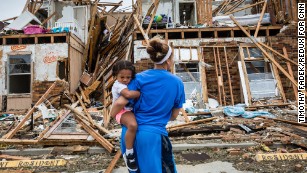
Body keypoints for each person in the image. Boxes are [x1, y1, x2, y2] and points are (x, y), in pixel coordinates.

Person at [110, 37, 185, 173]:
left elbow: (120, 103)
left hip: (130, 135)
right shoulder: (177, 83)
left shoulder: (138, 78)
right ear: (168, 60)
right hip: (154, 136)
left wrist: (112, 114)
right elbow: (174, 116)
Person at [110, 60, 140, 171]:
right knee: (133, 125)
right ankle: (129, 153)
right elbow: (127, 94)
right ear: (116, 76)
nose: (125, 80)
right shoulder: (118, 85)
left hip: (128, 110)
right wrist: (138, 93)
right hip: (121, 112)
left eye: (128, 77)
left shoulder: (127, 83)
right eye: (122, 77)